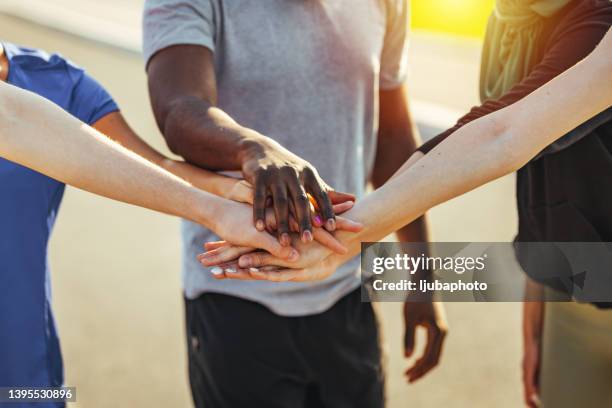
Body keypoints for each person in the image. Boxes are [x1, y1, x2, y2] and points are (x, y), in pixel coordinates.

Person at [206, 2, 612, 406]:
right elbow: (552, 169)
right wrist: (541, 280)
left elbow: (503, 133)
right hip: (578, 286)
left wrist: (342, 241)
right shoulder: (531, 17)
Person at [0, 42, 360, 404]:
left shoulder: (56, 82)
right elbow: (179, 109)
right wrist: (246, 157)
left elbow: (146, 167)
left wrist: (229, 196)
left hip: (23, 370)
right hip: (236, 303)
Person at [143, 0, 446, 406]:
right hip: (236, 301)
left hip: (345, 291)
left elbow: (391, 137)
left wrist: (423, 276)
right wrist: (251, 149)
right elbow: (179, 109)